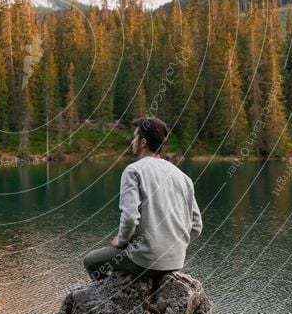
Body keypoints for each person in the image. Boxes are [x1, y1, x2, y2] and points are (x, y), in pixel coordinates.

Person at [83, 116, 203, 281]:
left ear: (143, 142)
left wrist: (121, 241)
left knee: (90, 261)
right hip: (176, 261)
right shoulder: (183, 177)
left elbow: (130, 217)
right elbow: (196, 226)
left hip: (144, 261)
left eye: (134, 137)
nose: (132, 141)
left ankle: (108, 300)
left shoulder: (133, 171)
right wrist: (173, 244)